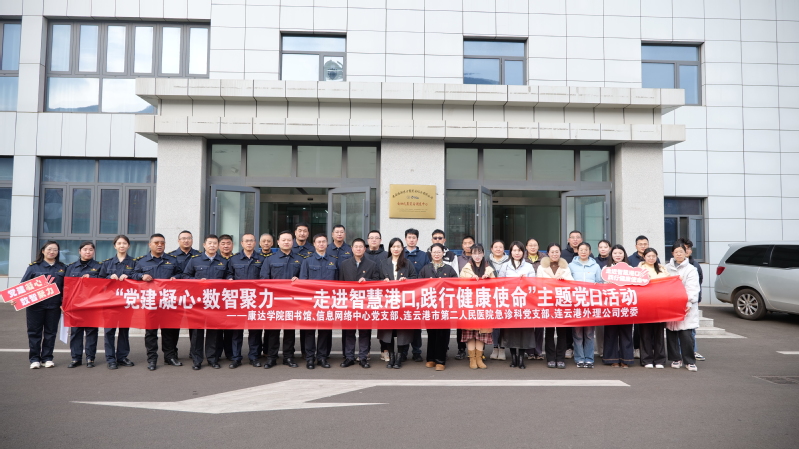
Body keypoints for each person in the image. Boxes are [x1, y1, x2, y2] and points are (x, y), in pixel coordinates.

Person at [131, 233, 185, 371]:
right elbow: (133, 275)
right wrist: (142, 276)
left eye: (162, 243)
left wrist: (176, 277)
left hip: (168, 302)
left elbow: (181, 274)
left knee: (169, 331)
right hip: (150, 302)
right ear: (150, 245)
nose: (159, 245)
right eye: (156, 243)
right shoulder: (142, 261)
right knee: (151, 332)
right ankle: (152, 359)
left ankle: (170, 357)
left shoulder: (172, 260)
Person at [183, 234, 231, 370]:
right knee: (197, 333)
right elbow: (185, 276)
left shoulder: (223, 261)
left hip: (215, 302)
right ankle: (197, 360)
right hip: (198, 302)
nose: (212, 245)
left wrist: (230, 279)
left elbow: (228, 274)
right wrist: (197, 281)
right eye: (210, 243)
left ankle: (212, 359)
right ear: (204, 245)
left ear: (218, 246)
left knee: (214, 333)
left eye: (215, 243)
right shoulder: (195, 260)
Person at [260, 230, 303, 368]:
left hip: (292, 301)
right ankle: (271, 358)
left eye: (289, 240)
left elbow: (305, 279)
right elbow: (264, 279)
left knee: (290, 331)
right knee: (273, 331)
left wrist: (299, 280)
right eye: (283, 240)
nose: (286, 242)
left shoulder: (299, 259)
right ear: (278, 242)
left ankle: (288, 357)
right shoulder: (270, 259)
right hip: (275, 301)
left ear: (293, 242)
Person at [19, 241, 66, 369]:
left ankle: (47, 358)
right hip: (35, 306)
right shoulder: (34, 267)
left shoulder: (62, 268)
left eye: (55, 250)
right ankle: (34, 359)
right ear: (43, 251)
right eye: (49, 249)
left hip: (54, 306)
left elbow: (66, 287)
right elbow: (23, 286)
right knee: (34, 332)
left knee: (51, 332)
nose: (52, 252)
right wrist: (16, 299)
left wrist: (64, 302)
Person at [338, 238, 380, 368]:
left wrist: (367, 280)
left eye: (361, 246)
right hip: (349, 303)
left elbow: (377, 281)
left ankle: (363, 357)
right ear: (351, 249)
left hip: (365, 303)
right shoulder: (344, 264)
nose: (358, 249)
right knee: (349, 332)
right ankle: (349, 357)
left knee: (364, 332)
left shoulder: (372, 264)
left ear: (364, 249)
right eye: (355, 246)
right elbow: (340, 284)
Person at [298, 233, 338, 369]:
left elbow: (338, 282)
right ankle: (310, 358)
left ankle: (322, 357)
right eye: (318, 242)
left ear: (327, 244)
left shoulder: (333, 261)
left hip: (328, 302)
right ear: (314, 244)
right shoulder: (307, 261)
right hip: (311, 302)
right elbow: (303, 282)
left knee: (324, 331)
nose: (321, 244)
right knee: (309, 332)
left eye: (323, 242)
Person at [378, 237, 418, 369]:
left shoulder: (407, 263)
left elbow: (415, 279)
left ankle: (399, 357)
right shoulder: (383, 263)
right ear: (390, 248)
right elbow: (376, 279)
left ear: (402, 248)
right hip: (387, 302)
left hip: (403, 302)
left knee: (402, 330)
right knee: (388, 330)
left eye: (398, 246)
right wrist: (382, 282)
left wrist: (407, 280)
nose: (396, 249)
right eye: (393, 246)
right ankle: (391, 356)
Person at [98, 235, 136, 370]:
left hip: (126, 302)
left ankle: (122, 357)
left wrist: (130, 276)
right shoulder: (107, 263)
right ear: (115, 246)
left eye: (124, 243)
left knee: (124, 330)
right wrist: (109, 277)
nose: (122, 246)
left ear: (128, 246)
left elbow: (138, 278)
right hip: (110, 302)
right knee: (109, 331)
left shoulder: (134, 263)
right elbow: (99, 281)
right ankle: (110, 359)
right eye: (119, 243)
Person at [418, 243, 458, 371]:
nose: (436, 254)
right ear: (430, 253)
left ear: (443, 253)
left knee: (443, 334)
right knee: (431, 333)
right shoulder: (425, 269)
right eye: (434, 252)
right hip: (430, 307)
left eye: (439, 252)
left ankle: (441, 360)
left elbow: (455, 286)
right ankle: (430, 358)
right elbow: (419, 286)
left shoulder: (449, 269)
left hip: (445, 307)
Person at [227, 233, 265, 368]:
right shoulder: (234, 259)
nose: (249, 243)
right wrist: (229, 279)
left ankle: (254, 357)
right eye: (246, 241)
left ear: (255, 243)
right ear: (242, 243)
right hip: (238, 300)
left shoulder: (262, 259)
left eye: (251, 241)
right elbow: (228, 273)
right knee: (237, 331)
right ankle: (236, 358)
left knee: (255, 331)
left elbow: (265, 277)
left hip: (256, 300)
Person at [498, 241, 536, 369]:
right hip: (509, 303)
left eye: (519, 250)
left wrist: (526, 280)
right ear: (510, 252)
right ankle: (513, 356)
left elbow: (534, 285)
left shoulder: (529, 266)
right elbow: (500, 284)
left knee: (523, 330)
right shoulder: (505, 266)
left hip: (525, 303)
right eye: (514, 250)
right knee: (510, 330)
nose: (517, 253)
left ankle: (521, 357)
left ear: (523, 252)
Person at [65, 241, 102, 369]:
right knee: (76, 332)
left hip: (92, 305)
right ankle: (76, 358)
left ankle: (90, 358)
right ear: (79, 251)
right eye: (85, 249)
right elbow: (65, 287)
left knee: (91, 331)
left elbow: (104, 283)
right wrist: (64, 303)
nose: (88, 252)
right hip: (75, 305)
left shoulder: (99, 267)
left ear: (94, 252)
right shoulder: (71, 267)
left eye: (91, 250)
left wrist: (93, 278)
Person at [665, 242, 701, 372]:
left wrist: (689, 302)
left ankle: (689, 361)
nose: (679, 254)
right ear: (672, 253)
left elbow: (693, 288)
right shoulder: (666, 268)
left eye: (681, 251)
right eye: (676, 252)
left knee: (686, 334)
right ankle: (676, 359)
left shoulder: (691, 269)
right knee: (671, 333)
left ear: (686, 253)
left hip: (686, 305)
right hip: (671, 305)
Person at [459, 243, 495, 370]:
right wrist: (470, 279)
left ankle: (479, 358)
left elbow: (495, 287)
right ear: (471, 254)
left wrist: (488, 279)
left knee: (482, 333)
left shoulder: (489, 269)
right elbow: (460, 285)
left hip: (484, 305)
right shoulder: (466, 269)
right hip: (469, 305)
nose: (477, 256)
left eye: (479, 253)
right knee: (470, 333)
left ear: (483, 254)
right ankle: (472, 359)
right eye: (475, 253)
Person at [538, 243, 574, 369]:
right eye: (552, 252)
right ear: (548, 253)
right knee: (548, 332)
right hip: (547, 303)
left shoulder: (566, 267)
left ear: (560, 253)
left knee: (562, 332)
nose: (554, 254)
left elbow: (571, 283)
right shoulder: (541, 267)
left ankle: (560, 358)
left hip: (561, 303)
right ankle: (551, 358)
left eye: (557, 251)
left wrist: (563, 280)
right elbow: (538, 283)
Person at [568, 242, 602, 369]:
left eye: (586, 250)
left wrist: (597, 286)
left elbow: (600, 282)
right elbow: (567, 283)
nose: (583, 252)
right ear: (577, 251)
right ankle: (579, 358)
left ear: (590, 251)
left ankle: (589, 358)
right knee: (577, 334)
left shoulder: (596, 266)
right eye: (581, 249)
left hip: (590, 304)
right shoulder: (570, 265)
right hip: (576, 304)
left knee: (589, 334)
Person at [602, 244, 634, 368]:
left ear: (624, 254)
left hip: (626, 304)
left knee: (626, 332)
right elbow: (602, 286)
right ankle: (612, 358)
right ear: (611, 255)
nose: (618, 255)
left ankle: (626, 359)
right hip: (611, 304)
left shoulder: (631, 269)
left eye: (620, 253)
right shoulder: (606, 269)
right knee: (611, 332)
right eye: (615, 253)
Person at [638, 247, 669, 369]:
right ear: (644, 257)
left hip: (660, 305)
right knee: (645, 333)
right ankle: (646, 360)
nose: (651, 258)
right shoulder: (639, 270)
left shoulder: (662, 269)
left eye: (653, 256)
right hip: (645, 305)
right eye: (648, 256)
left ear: (656, 257)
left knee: (659, 333)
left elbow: (669, 284)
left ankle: (660, 360)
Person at [628, 235, 657, 360]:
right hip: (637, 297)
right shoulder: (630, 259)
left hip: (652, 298)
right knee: (637, 325)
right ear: (636, 246)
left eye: (645, 244)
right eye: (640, 244)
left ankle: (651, 348)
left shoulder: (655, 259)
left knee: (652, 324)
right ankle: (636, 348)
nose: (643, 246)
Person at [404, 228, 430, 362]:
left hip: (418, 295)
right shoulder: (400, 253)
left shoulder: (423, 255)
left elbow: (427, 273)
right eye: (409, 237)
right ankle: (403, 352)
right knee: (403, 325)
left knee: (416, 325)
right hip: (402, 296)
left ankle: (416, 351)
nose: (411, 240)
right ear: (405, 239)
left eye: (414, 237)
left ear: (417, 240)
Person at [678, 238, 705, 362]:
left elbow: (698, 284)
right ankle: (679, 353)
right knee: (678, 327)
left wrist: (697, 298)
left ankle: (692, 351)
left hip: (691, 301)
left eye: (688, 248)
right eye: (684, 248)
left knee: (690, 329)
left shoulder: (695, 265)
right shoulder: (674, 265)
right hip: (677, 301)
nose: (686, 251)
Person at [216, 233, 237, 362]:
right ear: (219, 245)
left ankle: (230, 353)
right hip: (217, 299)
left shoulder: (236, 259)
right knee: (218, 328)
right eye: (223, 244)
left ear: (232, 245)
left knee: (231, 328)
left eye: (228, 243)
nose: (226, 246)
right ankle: (217, 353)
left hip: (233, 299)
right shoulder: (215, 259)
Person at [487, 239, 509, 361]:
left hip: (506, 295)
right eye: (496, 247)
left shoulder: (509, 261)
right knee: (494, 323)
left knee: (504, 323)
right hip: (491, 296)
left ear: (504, 249)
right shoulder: (486, 261)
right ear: (492, 249)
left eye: (500, 247)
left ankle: (502, 348)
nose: (498, 249)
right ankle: (495, 347)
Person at [524, 238, 545, 361]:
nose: (532, 247)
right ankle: (529, 351)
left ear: (538, 246)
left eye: (535, 245)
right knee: (528, 324)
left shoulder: (545, 259)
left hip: (540, 295)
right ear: (526, 247)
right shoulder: (522, 258)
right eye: (530, 245)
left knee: (539, 325)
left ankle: (538, 350)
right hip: (526, 295)